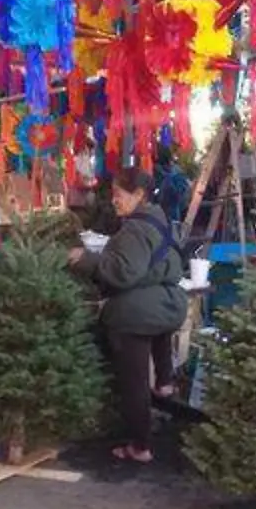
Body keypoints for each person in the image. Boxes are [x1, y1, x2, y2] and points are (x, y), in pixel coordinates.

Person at [68, 167, 186, 464]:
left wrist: (86, 260)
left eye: (119, 195)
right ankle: (165, 383)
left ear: (139, 195)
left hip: (135, 315)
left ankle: (139, 446)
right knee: (154, 352)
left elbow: (123, 272)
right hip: (168, 304)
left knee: (133, 383)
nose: (114, 201)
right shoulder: (160, 221)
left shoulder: (134, 230)